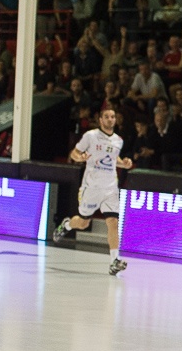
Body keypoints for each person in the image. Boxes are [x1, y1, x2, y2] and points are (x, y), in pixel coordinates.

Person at [52, 108, 134, 276]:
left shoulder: (118, 140)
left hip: (110, 187)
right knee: (83, 223)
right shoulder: (90, 136)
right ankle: (67, 224)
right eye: (107, 117)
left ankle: (114, 261)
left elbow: (113, 159)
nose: (110, 119)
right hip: (92, 187)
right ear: (100, 120)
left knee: (113, 222)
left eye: (113, 117)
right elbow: (74, 153)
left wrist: (124, 163)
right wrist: (80, 158)